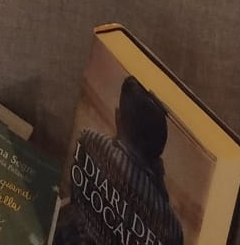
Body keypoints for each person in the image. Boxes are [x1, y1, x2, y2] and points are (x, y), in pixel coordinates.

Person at [57, 76, 185, 245]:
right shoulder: (173, 230)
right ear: (159, 147)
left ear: (118, 118)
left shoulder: (91, 142)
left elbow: (74, 204)